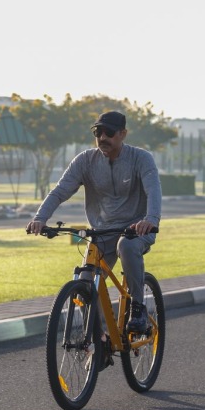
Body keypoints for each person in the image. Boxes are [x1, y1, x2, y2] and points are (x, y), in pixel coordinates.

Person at [26, 111, 161, 332]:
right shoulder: (85, 161)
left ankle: (138, 306)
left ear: (123, 134)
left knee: (126, 245)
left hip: (137, 230)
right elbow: (60, 191)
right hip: (102, 232)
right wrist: (40, 218)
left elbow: (153, 190)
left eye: (109, 132)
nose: (102, 137)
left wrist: (151, 219)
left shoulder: (141, 158)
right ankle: (101, 339)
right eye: (98, 132)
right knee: (85, 284)